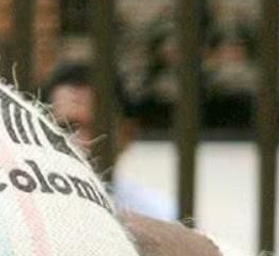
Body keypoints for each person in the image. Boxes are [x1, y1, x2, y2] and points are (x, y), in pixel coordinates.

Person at [39, 60, 177, 221]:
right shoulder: (16, 215)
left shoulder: (162, 218)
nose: (79, 143)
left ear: (127, 134)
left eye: (95, 128)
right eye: (65, 128)